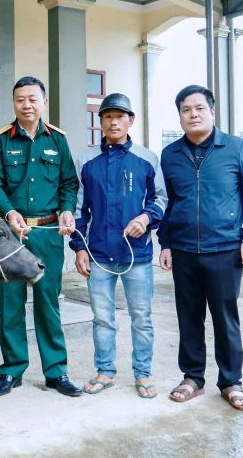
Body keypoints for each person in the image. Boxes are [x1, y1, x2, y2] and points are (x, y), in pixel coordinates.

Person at [158, 84, 243, 411]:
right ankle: (192, 377)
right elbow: (167, 202)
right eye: (186, 110)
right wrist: (166, 243)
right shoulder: (170, 154)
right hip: (184, 249)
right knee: (188, 317)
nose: (193, 114)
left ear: (212, 111)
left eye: (199, 108)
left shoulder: (235, 148)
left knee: (224, 318)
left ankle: (231, 381)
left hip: (225, 248)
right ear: (179, 116)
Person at [0, 76, 82, 397]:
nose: (26, 105)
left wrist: (67, 210)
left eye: (33, 99)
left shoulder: (58, 140)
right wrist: (9, 211)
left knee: (47, 302)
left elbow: (69, 183)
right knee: (10, 302)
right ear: (14, 103)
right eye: (20, 99)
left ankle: (56, 371)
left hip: (48, 234)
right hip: (10, 237)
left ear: (44, 103)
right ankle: (11, 370)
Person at [69, 93, 166, 399]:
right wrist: (79, 248)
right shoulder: (86, 160)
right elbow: (78, 209)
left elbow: (161, 199)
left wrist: (146, 218)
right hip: (98, 255)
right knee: (102, 318)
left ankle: (143, 373)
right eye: (107, 117)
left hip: (137, 255)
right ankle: (105, 371)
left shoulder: (147, 159)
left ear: (130, 121)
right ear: (100, 122)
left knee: (142, 318)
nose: (113, 122)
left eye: (120, 116)